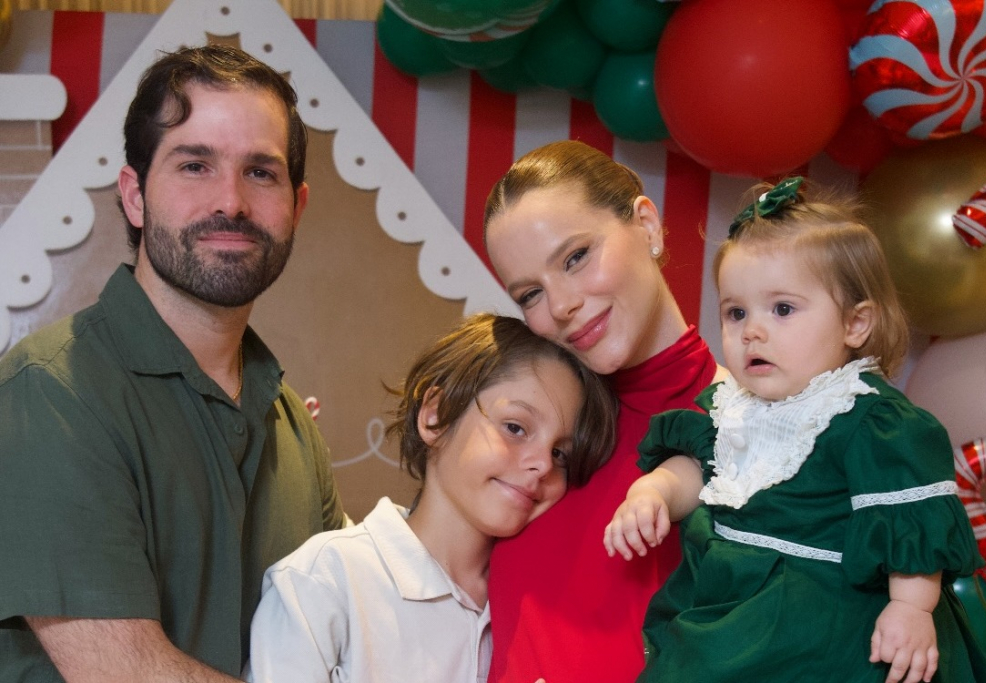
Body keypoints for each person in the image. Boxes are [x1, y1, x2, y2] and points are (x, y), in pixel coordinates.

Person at [0, 44, 346, 682]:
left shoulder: (295, 427)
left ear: (296, 208)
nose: (232, 202)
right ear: (135, 197)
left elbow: (346, 638)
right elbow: (125, 674)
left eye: (260, 173)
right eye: (195, 165)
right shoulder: (50, 392)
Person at [604, 177, 986, 683]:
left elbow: (910, 526)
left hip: (827, 624)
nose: (752, 330)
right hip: (730, 609)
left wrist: (912, 608)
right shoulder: (733, 405)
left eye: (783, 309)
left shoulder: (867, 421)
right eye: (736, 312)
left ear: (855, 324)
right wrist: (654, 491)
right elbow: (703, 470)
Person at [244, 313, 618, 682]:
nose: (541, 464)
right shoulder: (323, 581)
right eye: (516, 428)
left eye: (560, 454)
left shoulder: (538, 611)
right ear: (436, 416)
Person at [483, 140, 726, 682]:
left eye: (575, 257)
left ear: (647, 225)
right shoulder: (532, 443)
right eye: (529, 294)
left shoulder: (761, 431)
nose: (562, 304)